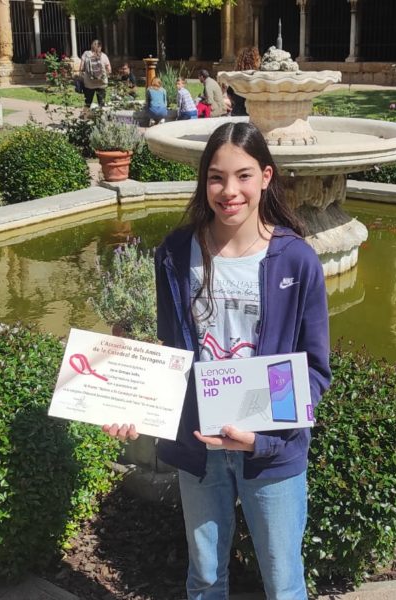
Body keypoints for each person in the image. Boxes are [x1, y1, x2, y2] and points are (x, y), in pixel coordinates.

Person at [103, 122, 332, 600]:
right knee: (205, 577)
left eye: (244, 176)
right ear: (203, 181)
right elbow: (170, 352)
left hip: (269, 450)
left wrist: (261, 437)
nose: (230, 191)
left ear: (266, 176)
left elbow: (313, 370)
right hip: (199, 448)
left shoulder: (296, 261)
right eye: (216, 177)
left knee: (284, 583)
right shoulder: (175, 252)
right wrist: (132, 404)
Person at [229, 46, 261, 117]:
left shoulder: (236, 76)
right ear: (254, 60)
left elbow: (229, 93)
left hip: (237, 112)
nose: (260, 61)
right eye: (258, 58)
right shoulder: (257, 77)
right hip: (252, 114)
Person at [79, 39, 111, 108]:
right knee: (101, 104)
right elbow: (109, 70)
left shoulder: (86, 54)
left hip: (89, 83)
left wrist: (82, 77)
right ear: (100, 47)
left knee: (87, 103)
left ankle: (85, 117)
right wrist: (103, 76)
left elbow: (81, 68)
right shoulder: (104, 56)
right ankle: (102, 117)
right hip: (102, 83)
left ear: (91, 46)